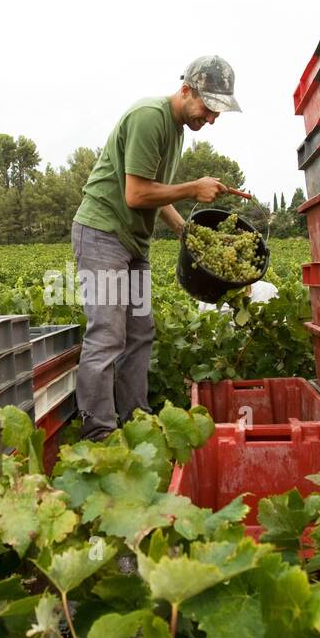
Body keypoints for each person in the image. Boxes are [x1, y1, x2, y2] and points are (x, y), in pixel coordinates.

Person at [71, 55, 243, 442]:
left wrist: (186, 231)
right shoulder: (150, 117)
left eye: (218, 112)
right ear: (186, 90)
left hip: (132, 242)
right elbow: (136, 194)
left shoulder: (177, 131)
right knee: (107, 335)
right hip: (102, 234)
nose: (212, 119)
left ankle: (136, 419)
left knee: (140, 331)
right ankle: (98, 435)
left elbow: (157, 195)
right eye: (209, 107)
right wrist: (193, 188)